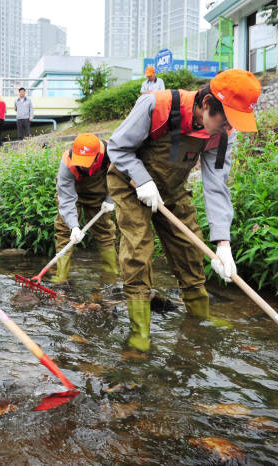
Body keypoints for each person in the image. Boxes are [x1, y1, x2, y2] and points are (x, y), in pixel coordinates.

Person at [107, 69, 261, 352]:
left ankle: (200, 321)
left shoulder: (222, 134)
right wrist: (142, 181)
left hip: (172, 189)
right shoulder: (157, 105)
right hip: (130, 183)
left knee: (191, 250)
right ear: (206, 104)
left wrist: (223, 244)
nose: (228, 126)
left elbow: (216, 186)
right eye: (224, 118)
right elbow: (117, 148)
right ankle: (140, 335)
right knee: (138, 251)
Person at [52, 133, 119, 284]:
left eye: (86, 161)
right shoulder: (67, 162)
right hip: (71, 193)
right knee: (64, 231)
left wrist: (110, 199)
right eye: (79, 161)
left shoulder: (112, 153)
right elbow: (66, 199)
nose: (82, 165)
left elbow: (119, 177)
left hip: (99, 194)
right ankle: (60, 278)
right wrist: (74, 226)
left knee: (104, 233)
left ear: (98, 155)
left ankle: (111, 277)